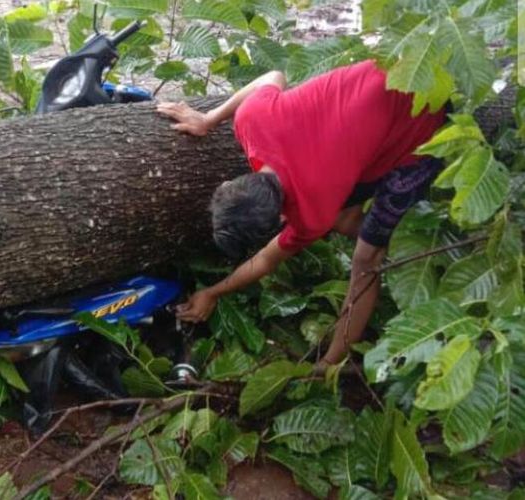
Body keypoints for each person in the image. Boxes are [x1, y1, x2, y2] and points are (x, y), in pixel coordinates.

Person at [156, 60, 449, 365]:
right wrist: (208, 119)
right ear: (230, 184)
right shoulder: (251, 119)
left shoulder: (313, 215)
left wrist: (214, 292)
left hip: (426, 121)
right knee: (341, 199)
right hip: (403, 63)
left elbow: (268, 258)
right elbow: (273, 74)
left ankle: (331, 362)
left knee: (366, 259)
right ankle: (354, 218)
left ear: (280, 220)